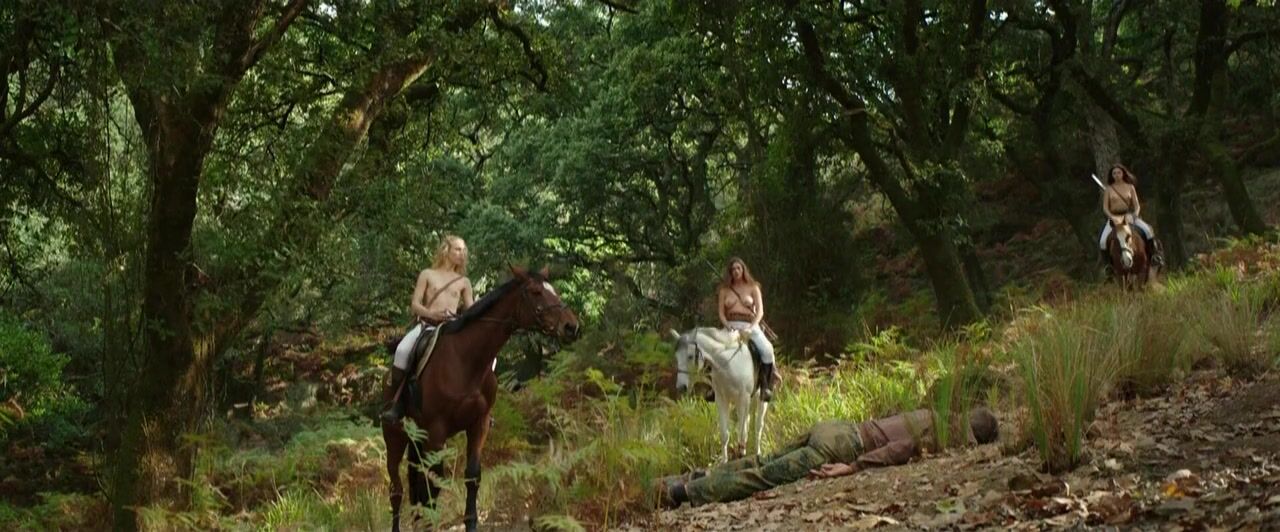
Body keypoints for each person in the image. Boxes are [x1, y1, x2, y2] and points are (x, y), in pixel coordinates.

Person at [655, 407, 1000, 508]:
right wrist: (853, 467)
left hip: (837, 427)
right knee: (766, 476)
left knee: (764, 460)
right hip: (844, 445)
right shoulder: (942, 430)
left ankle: (696, 476)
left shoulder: (934, 410)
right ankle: (680, 492)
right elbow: (901, 448)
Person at [381, 234, 474, 423]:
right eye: (458, 249)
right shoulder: (427, 274)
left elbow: (470, 310)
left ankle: (479, 407)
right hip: (427, 326)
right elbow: (415, 305)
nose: (462, 254)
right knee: (402, 351)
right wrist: (431, 314)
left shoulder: (464, 282)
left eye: (464, 250)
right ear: (446, 250)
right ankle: (397, 404)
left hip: (452, 328)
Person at [715, 258, 777, 401]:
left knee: (767, 349)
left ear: (743, 270)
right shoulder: (724, 290)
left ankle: (765, 387)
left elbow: (760, 312)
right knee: (713, 349)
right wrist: (727, 325)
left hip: (750, 325)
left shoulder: (753, 287)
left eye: (738, 268)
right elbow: (721, 313)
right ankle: (712, 387)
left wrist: (751, 327)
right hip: (730, 325)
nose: (736, 271)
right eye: (733, 269)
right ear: (730, 272)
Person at [1099, 164, 1163, 268]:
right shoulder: (1108, 189)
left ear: (1123, 173)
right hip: (1114, 217)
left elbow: (1137, 206)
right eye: (1114, 173)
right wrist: (1112, 217)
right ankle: (1108, 266)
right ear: (1112, 175)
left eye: (1119, 172)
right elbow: (1105, 208)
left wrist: (1134, 216)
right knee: (1102, 241)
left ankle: (1154, 256)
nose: (1116, 175)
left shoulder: (1130, 187)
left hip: (1129, 215)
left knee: (1148, 231)